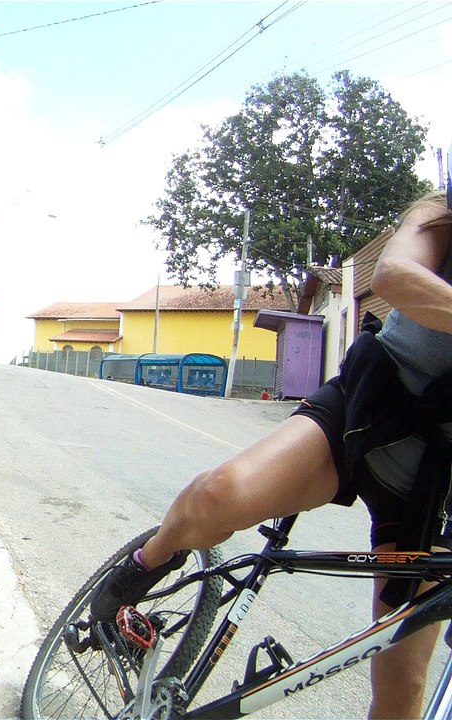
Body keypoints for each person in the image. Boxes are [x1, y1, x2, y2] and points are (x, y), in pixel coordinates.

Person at [91, 191, 452, 720]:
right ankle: (144, 565)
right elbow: (394, 275)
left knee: (402, 689)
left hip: (432, 482)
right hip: (368, 409)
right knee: (220, 497)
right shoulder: (440, 213)